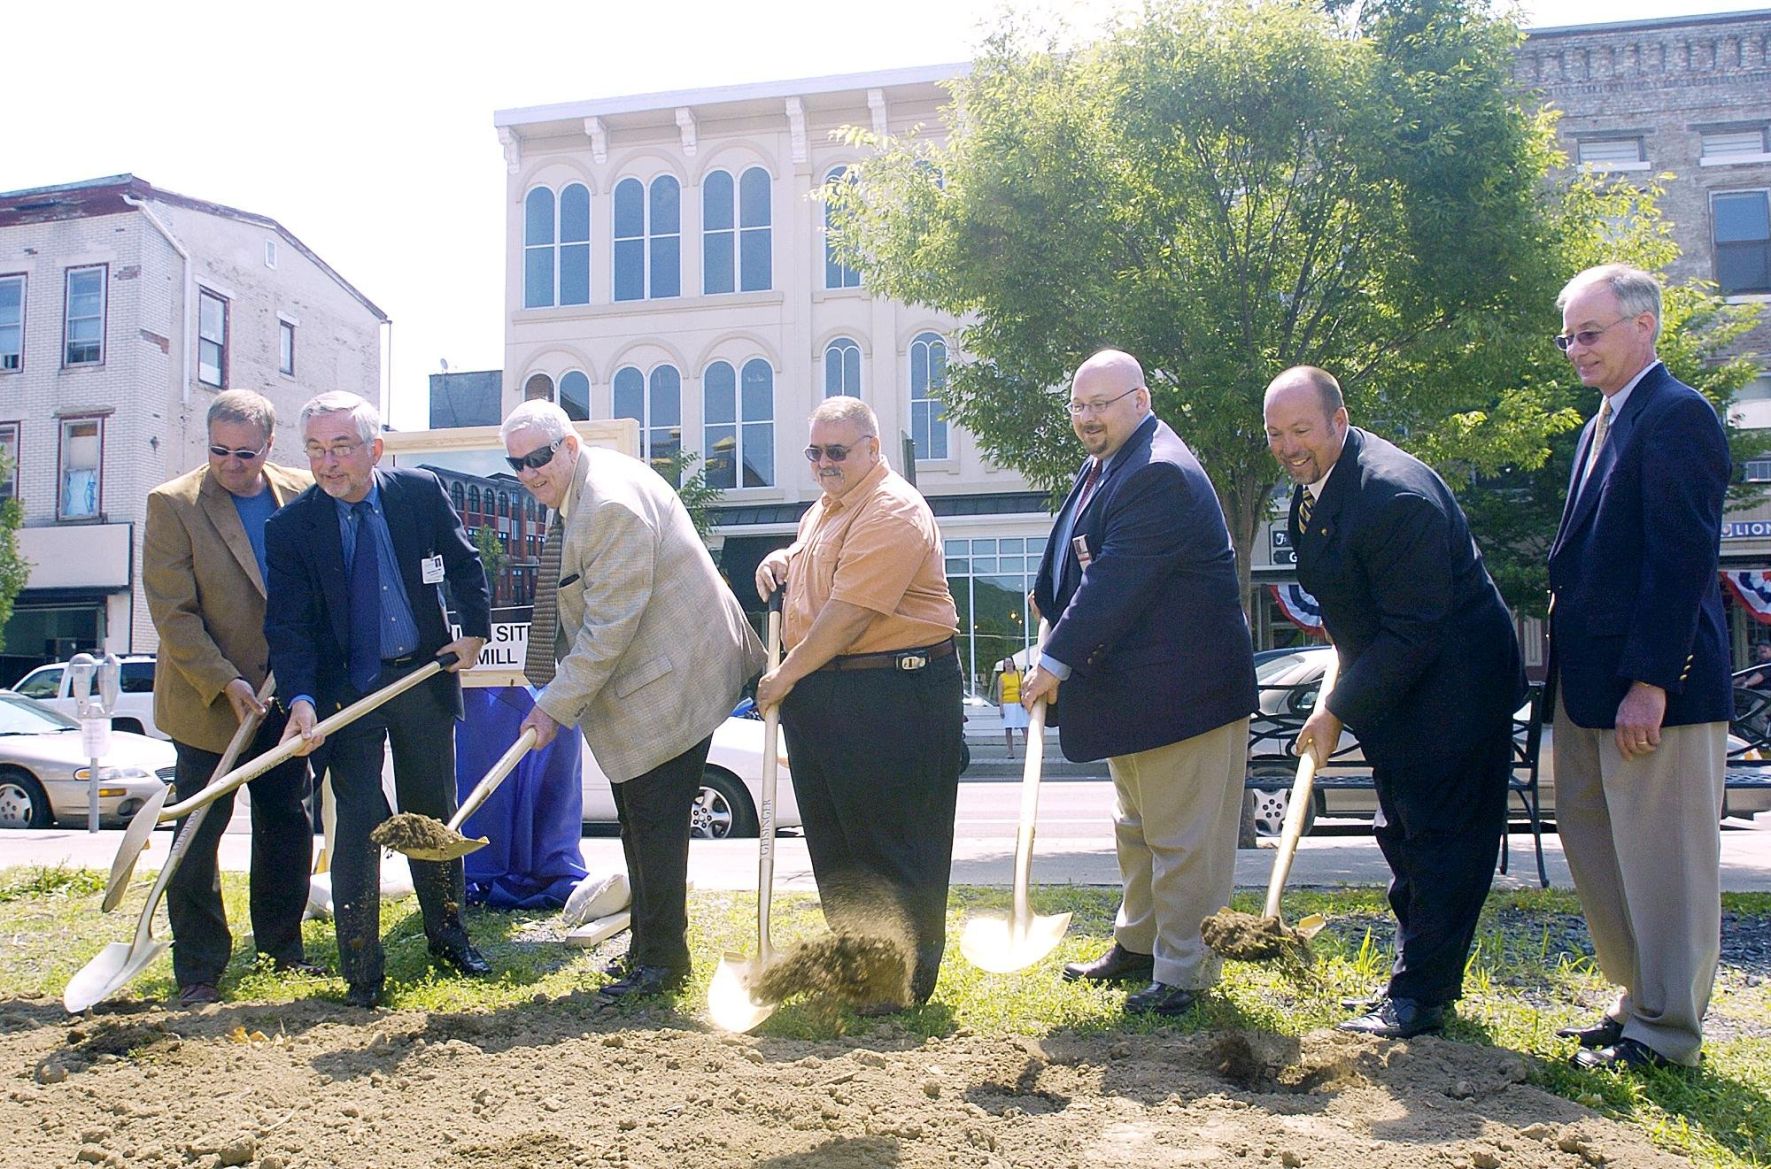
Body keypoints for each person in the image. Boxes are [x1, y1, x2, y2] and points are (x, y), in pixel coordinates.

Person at [1264, 366, 1525, 1039]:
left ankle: (1419, 998)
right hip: (1402, 690)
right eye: (1275, 434)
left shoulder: (1391, 496)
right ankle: (1416, 980)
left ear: (1338, 421)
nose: (1289, 446)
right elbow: (1353, 605)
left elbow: (1414, 629)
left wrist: (1336, 708)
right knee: (1402, 835)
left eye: (1300, 430)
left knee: (1440, 846)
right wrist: (1345, 674)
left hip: (1454, 693)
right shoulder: (1317, 486)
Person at [1021, 349, 1257, 1017]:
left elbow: (1117, 579)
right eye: (1078, 404)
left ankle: (1183, 973)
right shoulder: (1107, 464)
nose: (1088, 417)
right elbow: (1074, 557)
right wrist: (1046, 601)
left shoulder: (1157, 472)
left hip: (1184, 697)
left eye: (1101, 403)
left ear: (1139, 399)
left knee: (1182, 840)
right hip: (1134, 693)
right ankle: (1140, 944)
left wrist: (1054, 660)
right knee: (1136, 828)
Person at [505, 400, 764, 998]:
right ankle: (649, 951)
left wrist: (553, 706)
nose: (528, 473)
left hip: (674, 678)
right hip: (652, 671)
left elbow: (608, 627)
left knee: (655, 826)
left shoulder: (608, 507)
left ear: (568, 446)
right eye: (516, 463)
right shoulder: (583, 489)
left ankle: (664, 964)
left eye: (538, 458)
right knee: (639, 824)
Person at [1547, 264, 1732, 1071]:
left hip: (1654, 691)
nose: (1574, 349)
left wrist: (1651, 680)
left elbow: (1681, 558)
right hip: (1590, 689)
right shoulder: (1601, 422)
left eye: (1588, 333)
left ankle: (1665, 1033)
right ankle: (1634, 1003)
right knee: (1599, 849)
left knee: (1664, 865)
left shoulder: (1676, 415)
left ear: (1643, 325)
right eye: (1567, 336)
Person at [264, 391, 490, 1010]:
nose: (328, 463)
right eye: (315, 449)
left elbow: (467, 567)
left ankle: (450, 940)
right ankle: (362, 969)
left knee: (432, 816)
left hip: (420, 678)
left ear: (375, 450)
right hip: (347, 696)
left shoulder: (417, 494)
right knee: (359, 826)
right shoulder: (291, 529)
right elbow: (288, 628)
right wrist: (303, 699)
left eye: (341, 447)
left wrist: (473, 630)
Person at [754, 396, 964, 1010]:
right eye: (815, 452)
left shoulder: (893, 509)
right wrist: (782, 559)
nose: (824, 462)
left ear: (873, 449)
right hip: (834, 691)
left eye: (837, 451)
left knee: (892, 841)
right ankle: (860, 965)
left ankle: (903, 979)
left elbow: (847, 615)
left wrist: (783, 677)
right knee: (839, 841)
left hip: (894, 691)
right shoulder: (828, 509)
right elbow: (821, 568)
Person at [143, 389, 325, 1007]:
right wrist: (223, 679)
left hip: (286, 695)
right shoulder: (174, 504)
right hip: (208, 698)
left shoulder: (303, 491)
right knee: (197, 832)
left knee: (287, 824)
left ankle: (281, 950)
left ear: (269, 447)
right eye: (219, 450)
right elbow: (173, 614)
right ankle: (198, 966)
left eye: (244, 453)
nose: (231, 463)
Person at [995, 656, 1029, 758]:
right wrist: (1001, 708)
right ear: (1004, 665)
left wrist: (1023, 693)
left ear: (1013, 664)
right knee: (1008, 728)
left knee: (1024, 727)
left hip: (1019, 704)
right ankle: (1010, 752)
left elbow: (1025, 687)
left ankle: (1030, 750)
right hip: (1007, 705)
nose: (1008, 665)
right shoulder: (1002, 677)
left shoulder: (1020, 674)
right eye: (1006, 663)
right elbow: (1000, 694)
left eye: (1010, 662)